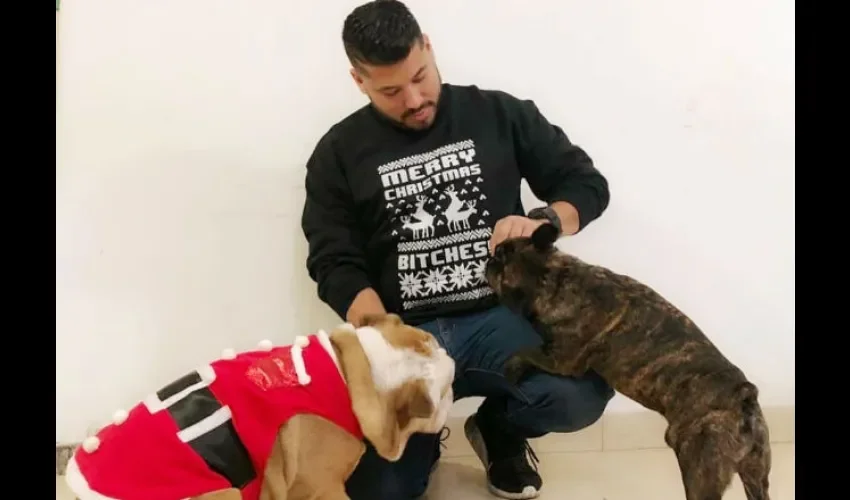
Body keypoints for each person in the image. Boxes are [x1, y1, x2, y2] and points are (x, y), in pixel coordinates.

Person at [299, 1, 614, 498]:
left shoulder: (499, 113)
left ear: (428, 46)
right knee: (381, 489)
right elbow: (332, 258)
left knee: (582, 392)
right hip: (409, 334)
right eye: (390, 91)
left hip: (500, 317)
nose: (414, 98)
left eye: (421, 76)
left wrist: (543, 221)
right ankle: (423, 439)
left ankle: (499, 431)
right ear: (358, 81)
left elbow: (585, 185)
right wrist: (384, 341)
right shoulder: (337, 152)